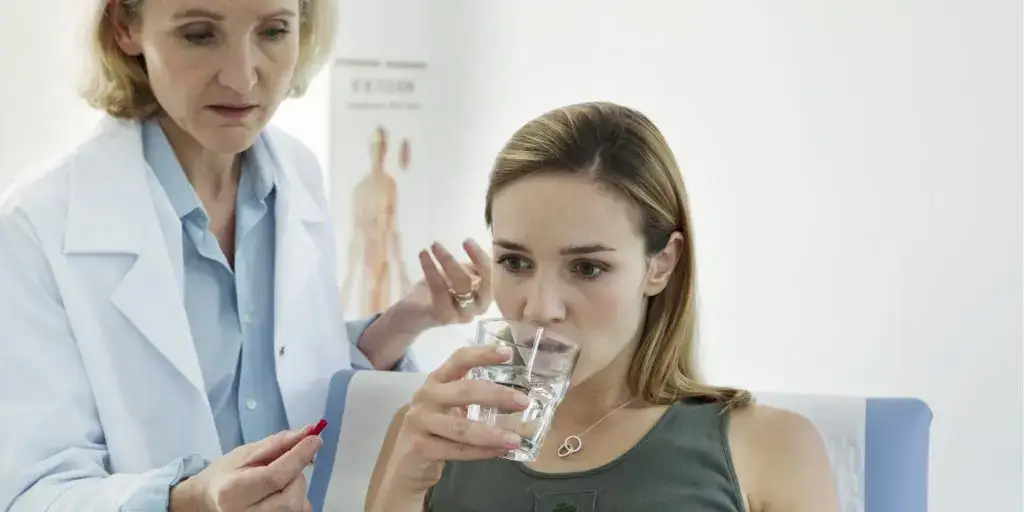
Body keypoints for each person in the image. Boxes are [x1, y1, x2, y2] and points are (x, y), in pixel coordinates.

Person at [0, 0, 490, 511]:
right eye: (199, 34)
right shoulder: (36, 227)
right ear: (126, 26)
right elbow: (31, 493)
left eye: (273, 31)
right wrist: (188, 500)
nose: (242, 78)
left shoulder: (298, 177)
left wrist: (403, 322)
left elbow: (293, 379)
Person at [366, 102, 840, 511]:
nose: (540, 308)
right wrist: (403, 488)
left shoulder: (771, 449)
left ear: (661, 264)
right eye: (514, 261)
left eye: (587, 268)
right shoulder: (427, 436)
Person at [339, 125, 413, 316]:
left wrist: (403, 271)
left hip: (384, 265)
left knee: (383, 318)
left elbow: (393, 230)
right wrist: (348, 279)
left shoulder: (390, 185)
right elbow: (356, 235)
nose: (380, 150)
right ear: (370, 148)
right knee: (366, 318)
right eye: (376, 145)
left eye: (383, 145)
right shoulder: (360, 189)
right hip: (367, 264)